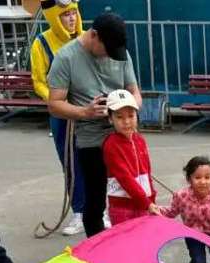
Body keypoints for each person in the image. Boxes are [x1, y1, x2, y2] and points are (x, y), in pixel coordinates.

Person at [47, 12, 142, 237]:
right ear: (94, 35)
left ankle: (136, 249)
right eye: (106, 49)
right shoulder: (66, 57)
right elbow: (54, 105)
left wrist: (127, 109)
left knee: (136, 194)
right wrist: (85, 111)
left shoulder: (120, 53)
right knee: (95, 201)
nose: (109, 55)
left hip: (124, 136)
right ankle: (98, 254)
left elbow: (135, 92)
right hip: (91, 139)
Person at [31, 0, 87, 236]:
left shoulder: (86, 39)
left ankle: (100, 208)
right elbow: (39, 81)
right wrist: (58, 101)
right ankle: (79, 212)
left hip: (89, 111)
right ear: (55, 17)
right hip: (62, 114)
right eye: (66, 15)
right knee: (71, 163)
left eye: (74, 13)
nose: (72, 19)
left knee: (96, 160)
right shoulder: (42, 43)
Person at [102, 89, 159, 226]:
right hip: (122, 207)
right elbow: (125, 178)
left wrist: (151, 199)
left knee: (144, 243)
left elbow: (147, 171)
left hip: (143, 204)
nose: (126, 121)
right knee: (126, 245)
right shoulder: (111, 144)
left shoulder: (140, 140)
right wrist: (147, 202)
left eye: (131, 116)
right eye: (119, 117)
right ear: (110, 119)